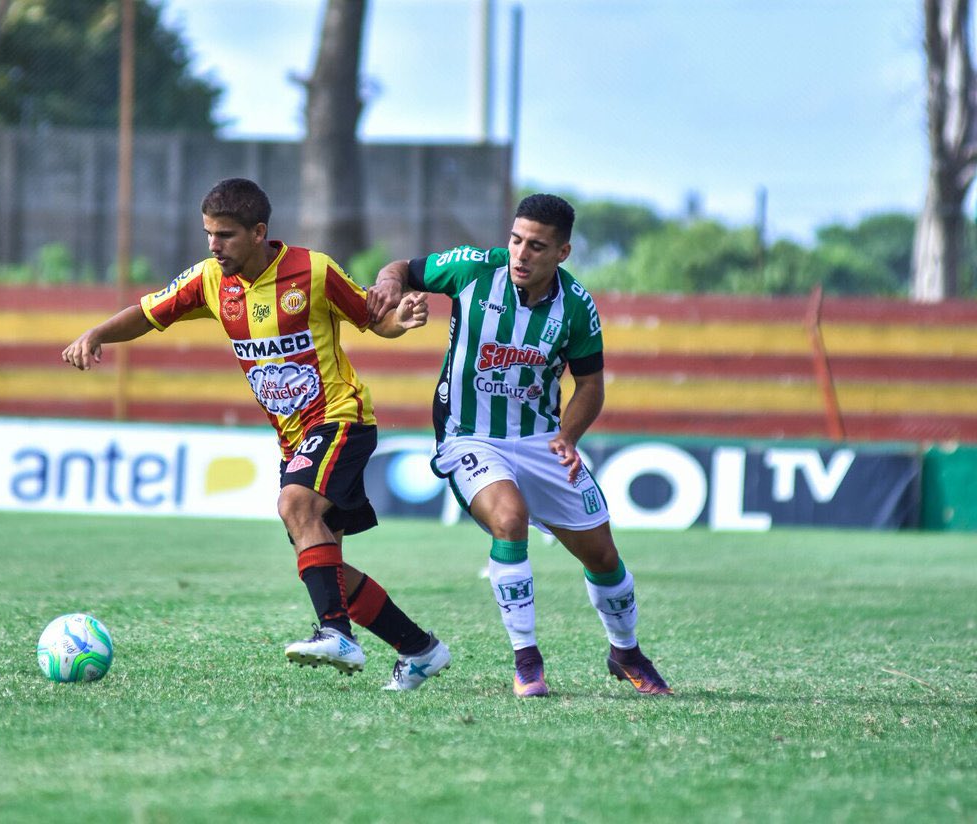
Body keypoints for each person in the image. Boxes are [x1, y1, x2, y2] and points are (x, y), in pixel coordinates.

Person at [62, 177, 450, 691]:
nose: (213, 245)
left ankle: (336, 635)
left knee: (295, 506)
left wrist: (402, 318)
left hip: (341, 418)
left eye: (224, 235)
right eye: (208, 233)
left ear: (259, 232)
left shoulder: (313, 270)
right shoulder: (209, 280)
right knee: (325, 564)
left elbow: (374, 319)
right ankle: (420, 649)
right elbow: (149, 314)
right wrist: (97, 333)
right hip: (293, 439)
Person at [366, 193, 672, 697]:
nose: (521, 254)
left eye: (536, 246)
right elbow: (401, 268)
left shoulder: (577, 306)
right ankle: (527, 660)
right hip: (470, 436)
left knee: (603, 556)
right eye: (516, 240)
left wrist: (568, 436)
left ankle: (626, 652)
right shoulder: (472, 269)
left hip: (541, 440)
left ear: (562, 252)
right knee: (509, 518)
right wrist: (388, 288)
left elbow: (590, 386)